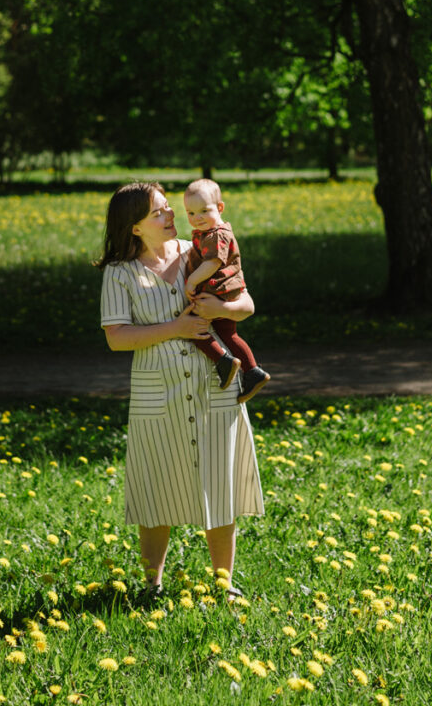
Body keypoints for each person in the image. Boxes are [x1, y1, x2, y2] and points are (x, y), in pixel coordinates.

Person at [97, 181, 264, 596]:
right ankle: (151, 585)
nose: (171, 215)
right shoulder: (120, 274)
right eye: (158, 212)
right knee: (156, 493)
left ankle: (223, 585)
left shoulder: (200, 250)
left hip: (216, 388)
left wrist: (221, 309)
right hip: (160, 394)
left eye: (169, 208)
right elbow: (117, 337)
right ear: (135, 228)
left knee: (220, 486)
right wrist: (177, 328)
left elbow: (246, 305)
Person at [184, 179, 270, 404]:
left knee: (193, 328)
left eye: (204, 210)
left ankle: (223, 361)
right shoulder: (212, 232)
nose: (197, 217)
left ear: (220, 208)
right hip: (226, 291)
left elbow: (212, 263)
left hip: (217, 290)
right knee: (228, 334)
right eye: (191, 213)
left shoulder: (216, 235)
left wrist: (192, 280)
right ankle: (252, 372)